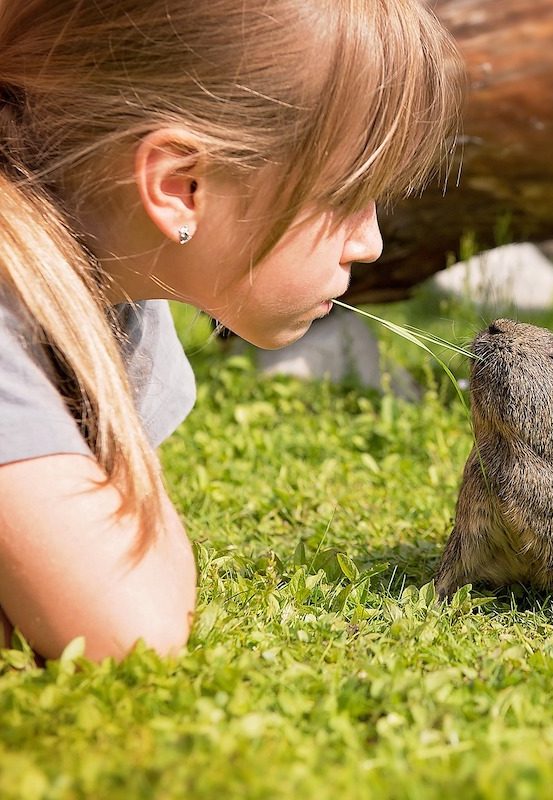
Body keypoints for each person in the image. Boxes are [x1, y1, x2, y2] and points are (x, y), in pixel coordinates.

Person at [0, 0, 463, 661]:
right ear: (181, 187)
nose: (370, 242)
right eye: (343, 198)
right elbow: (129, 628)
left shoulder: (117, 298)